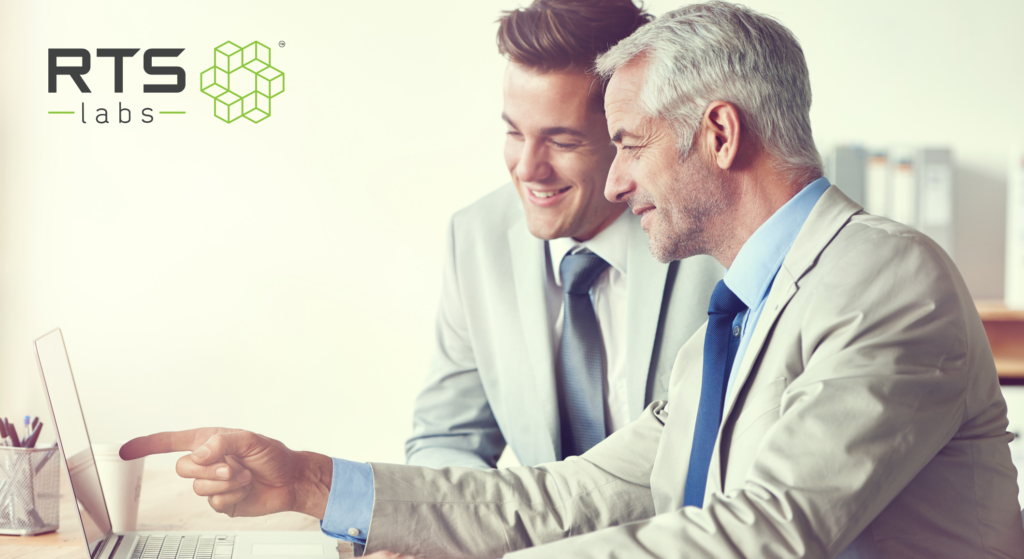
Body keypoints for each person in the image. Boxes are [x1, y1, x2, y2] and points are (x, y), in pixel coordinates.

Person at [121, 2, 1024, 558]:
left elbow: (761, 534)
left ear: (718, 135)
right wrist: (311, 482)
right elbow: (571, 494)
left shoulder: (880, 280)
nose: (616, 182)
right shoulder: (739, 310)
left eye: (625, 145)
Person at [405, 0, 721, 471]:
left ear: (625, 136)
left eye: (562, 141)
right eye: (514, 134)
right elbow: (447, 438)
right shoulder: (476, 237)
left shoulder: (710, 231)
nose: (527, 169)